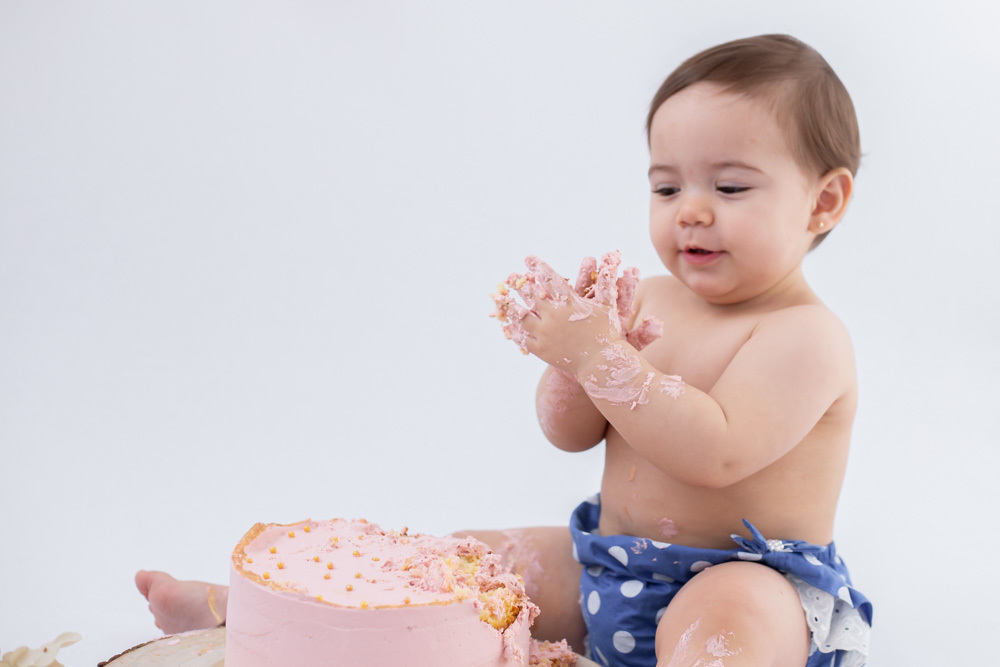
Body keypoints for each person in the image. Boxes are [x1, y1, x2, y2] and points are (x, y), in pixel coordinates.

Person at [137, 34, 872, 666]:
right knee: (458, 563)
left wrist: (604, 360)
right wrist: (571, 362)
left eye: (731, 185)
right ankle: (259, 615)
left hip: (749, 578)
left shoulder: (805, 337)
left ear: (824, 201)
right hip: (609, 563)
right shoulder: (651, 295)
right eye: (667, 185)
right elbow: (569, 432)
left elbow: (715, 452)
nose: (692, 210)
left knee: (728, 622)